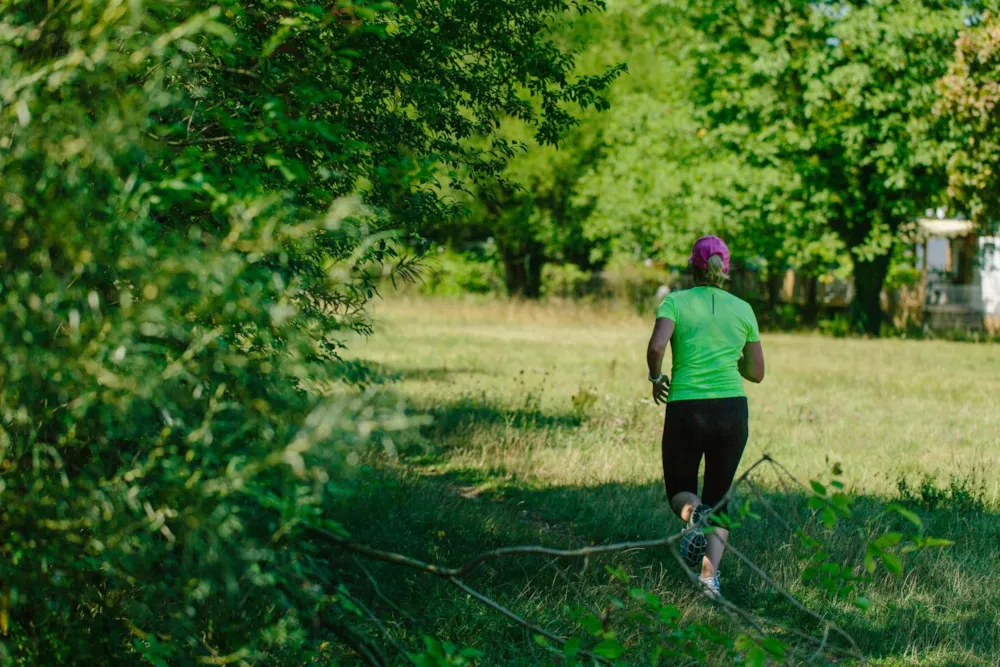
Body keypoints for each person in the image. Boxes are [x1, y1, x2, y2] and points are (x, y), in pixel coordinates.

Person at [645, 236, 765, 598]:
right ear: (724, 269)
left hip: (686, 408)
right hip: (732, 410)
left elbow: (656, 346)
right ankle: (709, 581)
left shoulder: (676, 302)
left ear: (692, 267)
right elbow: (757, 372)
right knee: (720, 495)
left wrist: (656, 376)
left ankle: (693, 517)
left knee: (680, 491)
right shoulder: (743, 308)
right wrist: (728, 357)